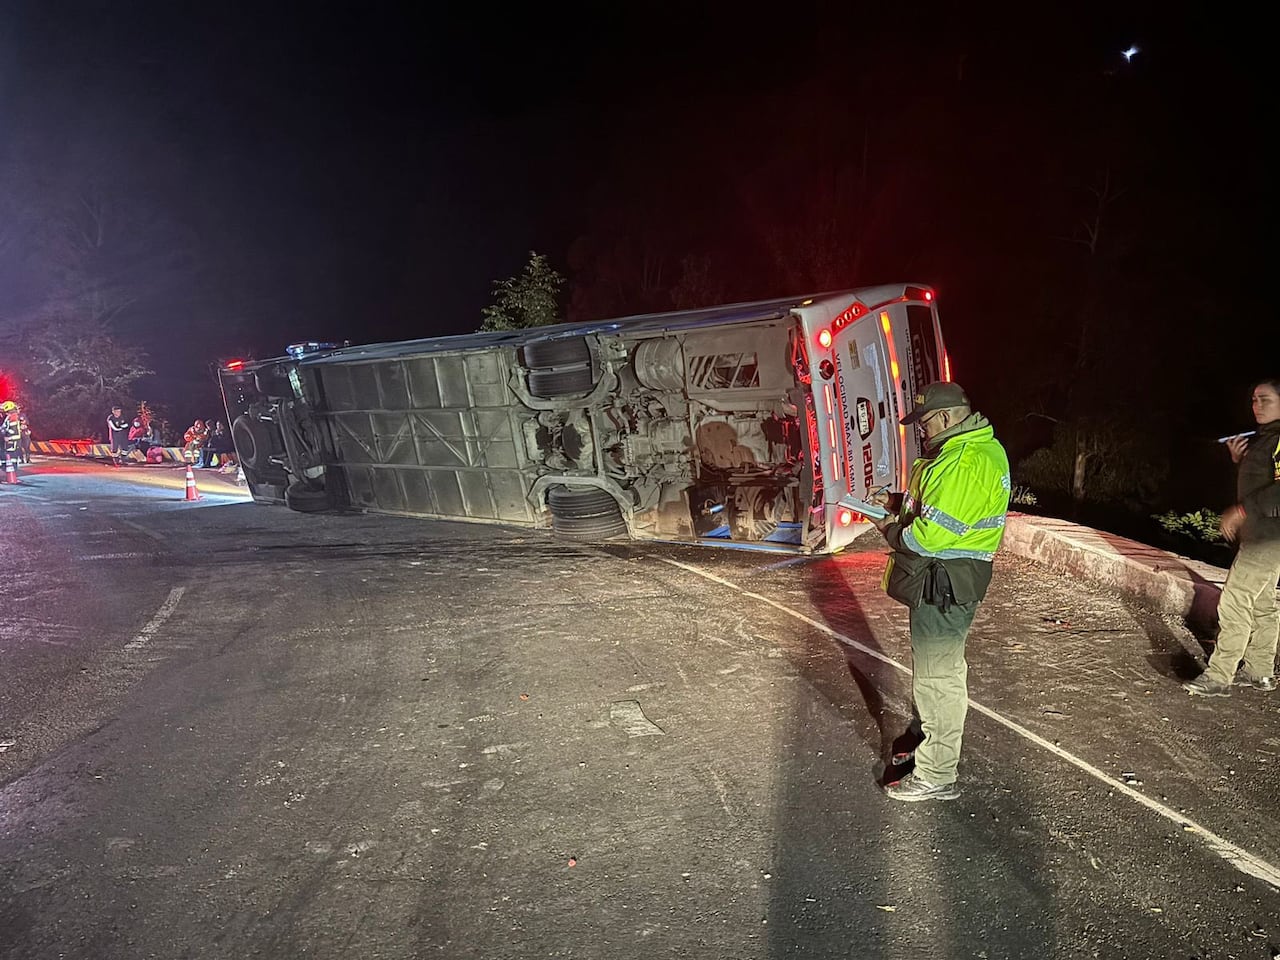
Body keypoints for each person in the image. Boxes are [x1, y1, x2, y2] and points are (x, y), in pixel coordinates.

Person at [865, 381, 1011, 802]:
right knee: (936, 671)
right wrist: (894, 502)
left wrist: (887, 527)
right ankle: (924, 735)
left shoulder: (964, 461)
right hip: (946, 580)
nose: (921, 430)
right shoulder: (968, 451)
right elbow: (935, 506)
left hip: (944, 581)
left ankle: (937, 773)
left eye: (925, 422)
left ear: (946, 417)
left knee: (939, 678)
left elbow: (928, 537)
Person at [1183, 377, 1280, 697]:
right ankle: (1260, 671)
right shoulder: (1266, 439)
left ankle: (1220, 675)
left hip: (1268, 539)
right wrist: (1240, 461)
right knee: (1264, 604)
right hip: (1262, 537)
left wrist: (1240, 510)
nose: (1257, 405)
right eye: (1254, 399)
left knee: (1235, 600)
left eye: (1265, 399)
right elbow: (1263, 481)